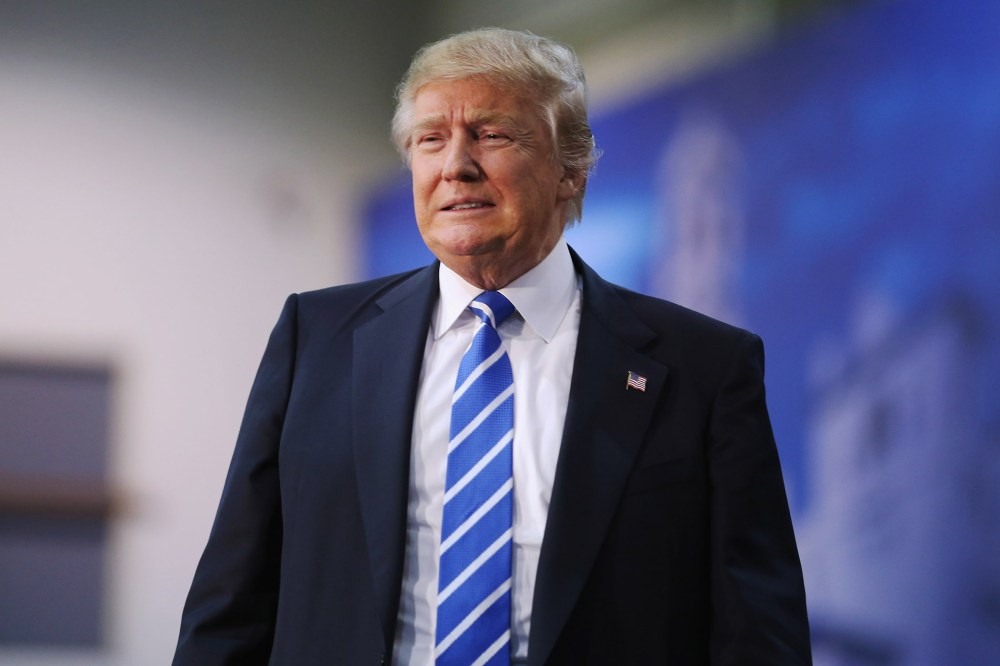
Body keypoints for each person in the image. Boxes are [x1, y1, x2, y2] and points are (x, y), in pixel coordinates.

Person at [173, 27, 811, 665]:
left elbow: (758, 634)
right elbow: (232, 604)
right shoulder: (316, 338)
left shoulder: (702, 367)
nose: (455, 165)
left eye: (492, 134)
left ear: (572, 168)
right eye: (431, 139)